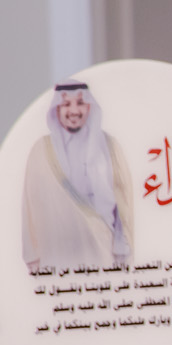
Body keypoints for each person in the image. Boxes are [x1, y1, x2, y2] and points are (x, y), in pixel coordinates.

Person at [21, 82, 136, 271]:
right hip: (57, 260)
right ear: (56, 109)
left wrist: (123, 251)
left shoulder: (110, 147)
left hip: (103, 256)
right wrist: (31, 256)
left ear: (89, 106)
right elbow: (29, 206)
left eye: (80, 103)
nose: (74, 111)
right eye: (66, 104)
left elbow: (123, 203)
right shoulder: (41, 150)